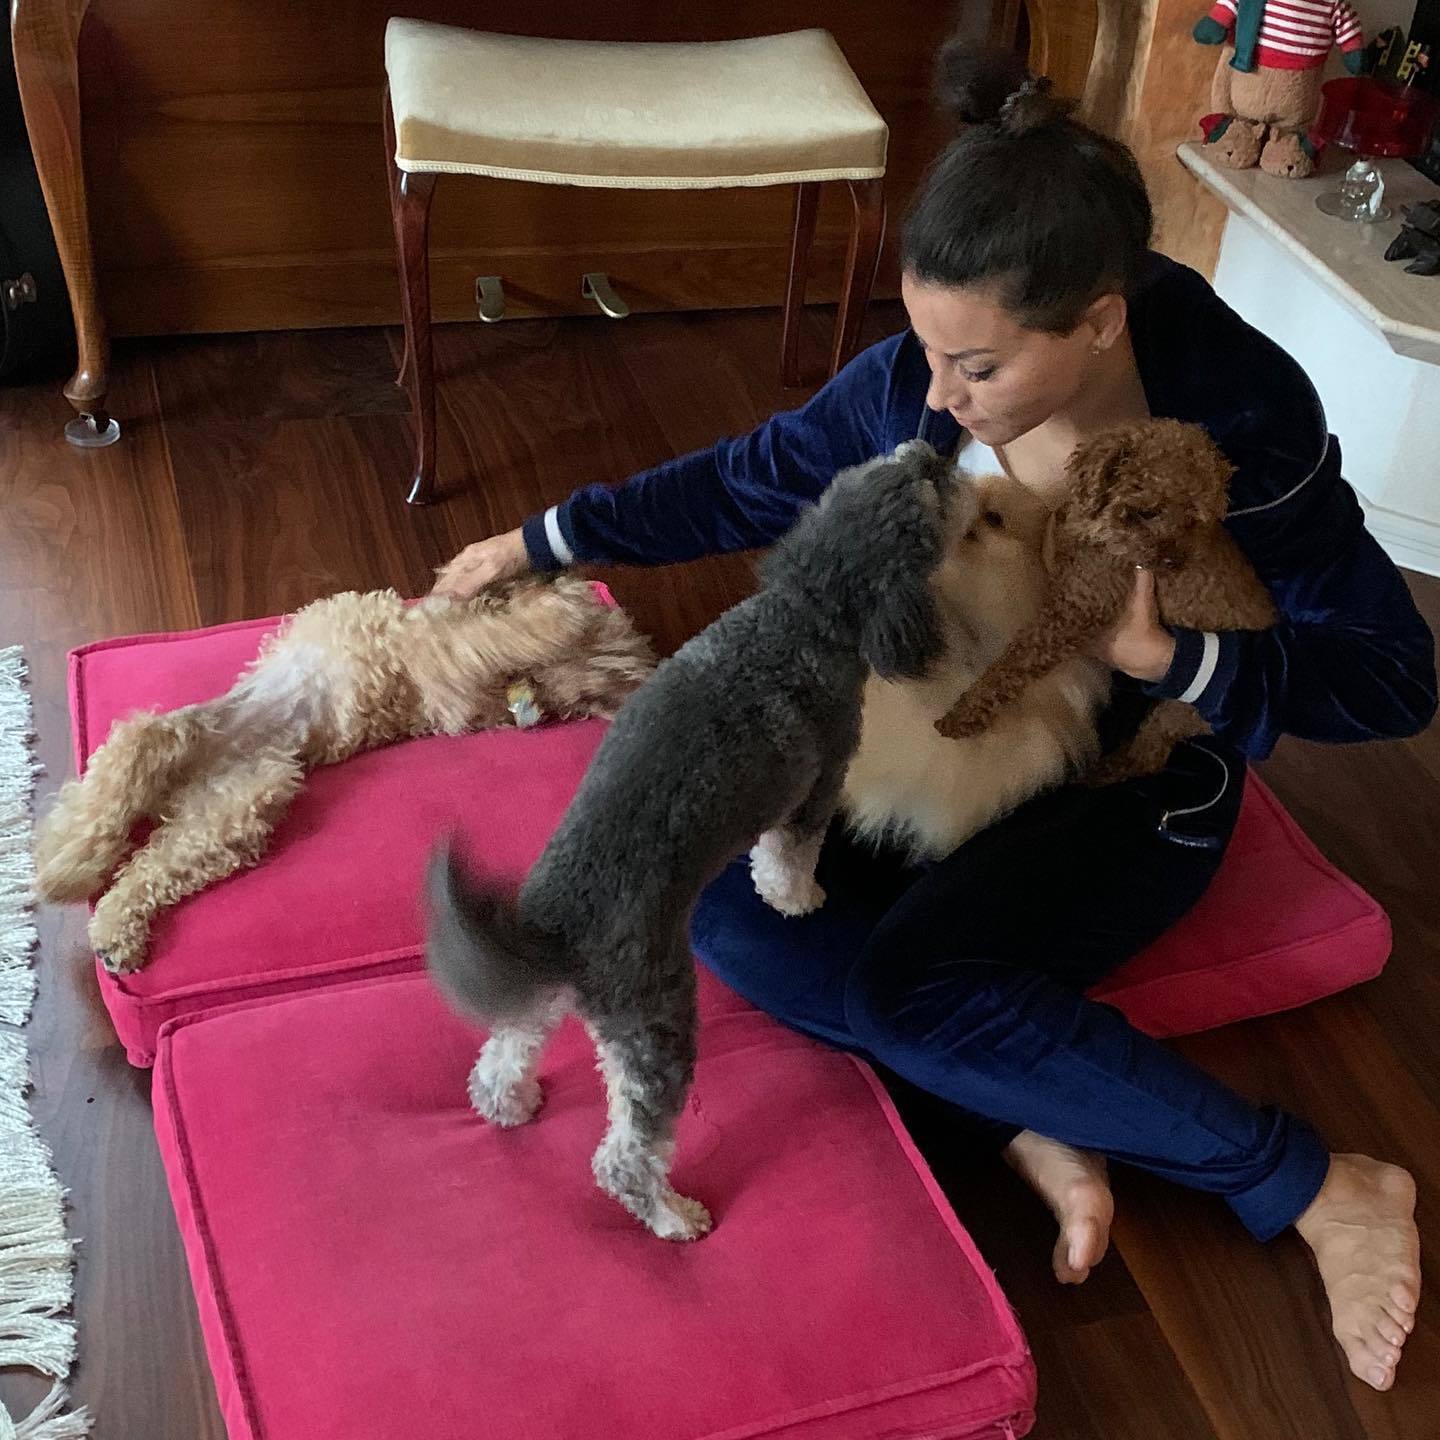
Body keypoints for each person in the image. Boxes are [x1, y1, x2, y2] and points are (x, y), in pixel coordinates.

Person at [431, 42, 1435, 1391]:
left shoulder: (1242, 419)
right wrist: (544, 536)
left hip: (1127, 787)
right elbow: (757, 476)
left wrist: (1172, 655)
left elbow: (1392, 678)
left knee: (911, 991)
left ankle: (1315, 1185)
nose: (938, 397)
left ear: (1098, 324)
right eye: (926, 350)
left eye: (977, 367)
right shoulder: (927, 378)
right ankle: (1019, 1107)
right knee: (716, 901)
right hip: (935, 755)